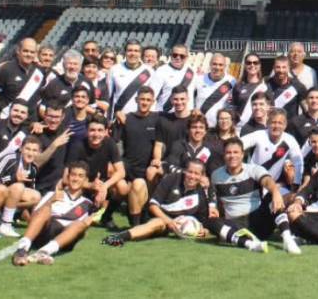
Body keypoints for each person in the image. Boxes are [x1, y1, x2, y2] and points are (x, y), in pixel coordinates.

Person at [209, 137, 300, 254]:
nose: (232, 156)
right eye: (228, 152)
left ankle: (287, 240)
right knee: (211, 222)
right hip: (236, 224)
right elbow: (213, 199)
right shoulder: (216, 175)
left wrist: (276, 192)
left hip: (258, 220)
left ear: (242, 154)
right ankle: (250, 244)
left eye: (236, 152)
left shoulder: (253, 169)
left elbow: (267, 181)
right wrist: (213, 209)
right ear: (224, 155)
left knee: (273, 197)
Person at [102, 159, 211, 247]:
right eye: (190, 172)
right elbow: (153, 206)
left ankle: (132, 233)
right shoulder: (172, 179)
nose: (192, 176)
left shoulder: (201, 195)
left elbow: (203, 222)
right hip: (157, 218)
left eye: (196, 174)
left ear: (202, 176)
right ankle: (118, 237)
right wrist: (168, 221)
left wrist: (203, 230)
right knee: (157, 222)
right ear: (184, 171)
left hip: (173, 228)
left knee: (158, 224)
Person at [11, 161, 96, 266]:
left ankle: (44, 252)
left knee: (80, 224)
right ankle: (22, 249)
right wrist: (50, 201)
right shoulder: (53, 194)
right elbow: (34, 218)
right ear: (68, 177)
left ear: (86, 180)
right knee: (46, 209)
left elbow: (85, 229)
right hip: (45, 232)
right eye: (73, 175)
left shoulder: (88, 204)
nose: (76, 179)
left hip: (66, 239)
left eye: (80, 176)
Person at [65, 114, 130, 230]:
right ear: (86, 131)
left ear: (106, 132)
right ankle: (86, 211)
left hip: (101, 184)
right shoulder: (77, 145)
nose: (96, 134)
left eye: (100, 130)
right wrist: (90, 185)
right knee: (80, 223)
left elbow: (121, 172)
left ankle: (107, 216)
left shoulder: (109, 143)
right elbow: (66, 178)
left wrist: (104, 187)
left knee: (123, 186)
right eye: (92, 130)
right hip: (81, 186)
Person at [241, 108, 304, 195]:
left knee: (291, 197)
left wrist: (296, 184)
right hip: (252, 182)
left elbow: (298, 163)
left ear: (285, 125)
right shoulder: (258, 135)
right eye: (273, 122)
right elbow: (238, 145)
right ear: (267, 123)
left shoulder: (290, 140)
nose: (276, 126)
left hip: (273, 185)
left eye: (280, 123)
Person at [122, 87, 160, 226]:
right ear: (136, 100)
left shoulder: (158, 119)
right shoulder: (126, 118)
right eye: (142, 99)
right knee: (121, 188)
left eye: (148, 100)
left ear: (153, 102)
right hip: (128, 169)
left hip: (148, 171)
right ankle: (108, 215)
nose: (144, 102)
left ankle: (141, 218)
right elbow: (117, 144)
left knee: (142, 187)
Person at [0, 135, 44, 238]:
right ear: (21, 148)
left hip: (11, 197)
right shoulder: (10, 158)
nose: (30, 153)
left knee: (36, 196)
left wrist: (31, 221)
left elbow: (28, 194)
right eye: (28, 149)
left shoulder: (33, 169)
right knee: (18, 187)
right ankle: (5, 224)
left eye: (34, 150)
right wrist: (14, 178)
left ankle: (12, 213)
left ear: (39, 153)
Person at [0, 38, 42, 118]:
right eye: (25, 51)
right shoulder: (5, 69)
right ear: (18, 51)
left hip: (23, 121)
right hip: (2, 117)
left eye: (32, 52)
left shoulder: (39, 72)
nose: (29, 54)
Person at [161, 112, 225, 178]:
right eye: (194, 127)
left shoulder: (212, 148)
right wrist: (193, 175)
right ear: (188, 130)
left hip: (204, 185)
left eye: (201, 127)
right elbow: (171, 166)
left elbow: (216, 172)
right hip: (181, 183)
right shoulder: (179, 145)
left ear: (205, 131)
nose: (198, 130)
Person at [109, 40, 155, 128]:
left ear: (140, 53)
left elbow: (153, 98)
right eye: (130, 50)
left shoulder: (149, 71)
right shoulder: (114, 69)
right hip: (119, 119)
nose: (132, 53)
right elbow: (109, 97)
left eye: (136, 51)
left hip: (142, 120)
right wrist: (110, 119)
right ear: (125, 52)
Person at [35, 50, 90, 116]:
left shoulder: (87, 83)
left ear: (80, 67)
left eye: (75, 64)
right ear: (63, 66)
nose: (72, 67)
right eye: (69, 63)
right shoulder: (54, 84)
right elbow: (42, 108)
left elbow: (92, 105)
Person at [34, 102, 74, 194]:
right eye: (50, 116)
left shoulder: (67, 133)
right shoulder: (37, 133)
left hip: (59, 185)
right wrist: (54, 145)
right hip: (38, 186)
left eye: (57, 117)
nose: (53, 120)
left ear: (62, 117)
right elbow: (36, 163)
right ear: (44, 115)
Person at [194, 53, 236, 128]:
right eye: (214, 64)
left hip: (220, 128)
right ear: (210, 64)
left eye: (220, 65)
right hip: (200, 126)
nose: (217, 67)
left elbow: (233, 105)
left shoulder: (232, 82)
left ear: (225, 66)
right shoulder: (199, 79)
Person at [233, 53, 268, 124]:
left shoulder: (266, 86)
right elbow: (233, 107)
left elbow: (270, 108)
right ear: (245, 65)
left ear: (259, 65)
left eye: (255, 63)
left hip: (259, 127)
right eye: (249, 63)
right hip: (240, 127)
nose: (252, 65)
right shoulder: (238, 86)